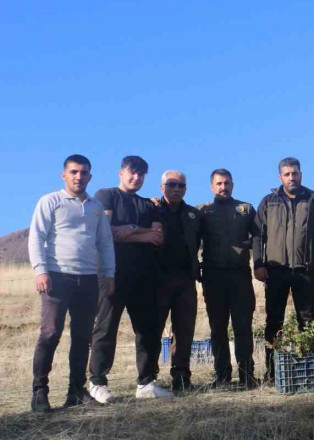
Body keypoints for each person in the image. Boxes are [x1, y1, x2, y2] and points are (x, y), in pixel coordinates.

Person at [28, 155, 115, 412]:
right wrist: (41, 270)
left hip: (88, 279)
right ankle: (39, 393)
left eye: (84, 172)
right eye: (74, 172)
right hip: (57, 277)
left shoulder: (96, 207)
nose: (79, 176)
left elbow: (105, 243)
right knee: (50, 333)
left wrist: (109, 274)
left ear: (90, 176)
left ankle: (75, 392)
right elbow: (36, 237)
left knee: (82, 337)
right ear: (64, 175)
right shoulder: (50, 201)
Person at [89, 156, 173, 402]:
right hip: (111, 274)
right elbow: (105, 232)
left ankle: (146, 383)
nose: (136, 178)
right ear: (121, 173)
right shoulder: (106, 195)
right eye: (132, 173)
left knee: (147, 329)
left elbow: (157, 236)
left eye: (141, 174)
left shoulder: (149, 205)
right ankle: (97, 381)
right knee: (105, 327)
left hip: (144, 276)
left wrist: (128, 230)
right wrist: (140, 231)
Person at [253, 157, 314, 381]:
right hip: (276, 270)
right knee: (275, 320)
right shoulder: (268, 202)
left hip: (305, 270)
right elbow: (258, 235)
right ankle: (273, 370)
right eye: (287, 174)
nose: (291, 177)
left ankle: (309, 369)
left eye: (295, 173)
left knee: (308, 319)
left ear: (300, 174)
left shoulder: (313, 201)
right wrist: (258, 263)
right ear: (280, 177)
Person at [198, 169, 259, 388]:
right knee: (218, 328)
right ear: (211, 186)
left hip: (240, 276)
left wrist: (248, 249)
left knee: (243, 326)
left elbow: (260, 237)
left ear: (233, 184)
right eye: (219, 184)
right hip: (213, 277)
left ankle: (247, 375)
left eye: (227, 183)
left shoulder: (246, 209)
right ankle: (222, 376)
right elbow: (192, 241)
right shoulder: (203, 211)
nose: (223, 187)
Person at [154, 170, 201, 391]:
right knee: (153, 329)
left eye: (181, 186)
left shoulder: (193, 214)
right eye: (171, 184)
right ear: (162, 187)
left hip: (185, 280)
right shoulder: (150, 209)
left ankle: (181, 378)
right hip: (158, 280)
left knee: (184, 332)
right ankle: (148, 378)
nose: (176, 189)